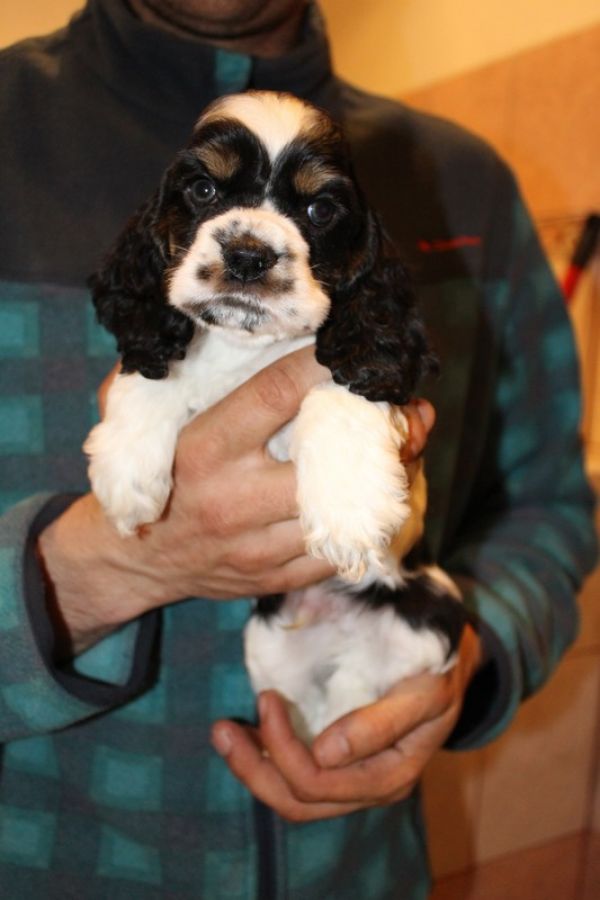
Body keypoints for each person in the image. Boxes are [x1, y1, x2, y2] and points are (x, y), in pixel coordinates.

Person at [0, 0, 595, 897]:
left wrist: (474, 655)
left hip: (364, 871)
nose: (250, 240)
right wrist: (90, 574)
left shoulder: (465, 180)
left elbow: (549, 502)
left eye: (316, 209)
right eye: (207, 194)